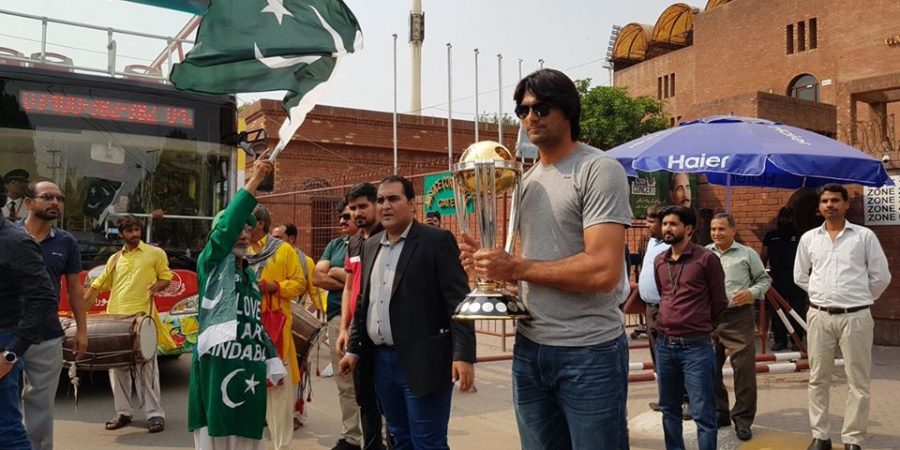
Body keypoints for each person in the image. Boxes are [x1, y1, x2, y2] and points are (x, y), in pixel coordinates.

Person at [462, 68, 633, 449]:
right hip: (530, 347)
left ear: (568, 109)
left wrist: (516, 266)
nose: (530, 117)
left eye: (541, 107)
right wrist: (492, 269)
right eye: (522, 110)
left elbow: (604, 271)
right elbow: (536, 271)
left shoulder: (597, 169)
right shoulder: (525, 181)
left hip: (588, 352)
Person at [338, 175, 475, 449]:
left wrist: (463, 355)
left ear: (411, 203)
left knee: (427, 442)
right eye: (380, 200)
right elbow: (364, 302)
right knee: (399, 438)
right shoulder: (370, 245)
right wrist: (353, 349)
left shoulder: (436, 242)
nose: (385, 206)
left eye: (393, 199)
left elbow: (458, 302)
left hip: (423, 362)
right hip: (382, 363)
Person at [188, 154, 288, 450]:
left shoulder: (251, 278)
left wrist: (271, 360)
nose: (243, 235)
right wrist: (254, 181)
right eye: (236, 229)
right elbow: (224, 233)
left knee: (248, 438)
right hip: (215, 370)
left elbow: (254, 325)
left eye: (248, 229)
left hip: (248, 373)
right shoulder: (212, 264)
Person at [795, 184, 890, 450]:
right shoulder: (809, 239)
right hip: (819, 316)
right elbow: (800, 276)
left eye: (835, 200)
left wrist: (858, 297)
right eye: (824, 201)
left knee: (857, 380)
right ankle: (820, 436)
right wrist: (821, 294)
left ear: (846, 204)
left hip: (856, 317)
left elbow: (881, 276)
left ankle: (853, 439)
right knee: (817, 378)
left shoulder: (864, 236)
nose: (829, 205)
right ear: (819, 206)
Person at [85, 214, 173, 433]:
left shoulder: (155, 253)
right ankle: (123, 413)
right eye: (129, 231)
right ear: (121, 234)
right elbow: (98, 285)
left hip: (143, 320)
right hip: (115, 321)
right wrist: (82, 306)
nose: (134, 234)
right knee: (118, 369)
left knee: (148, 369)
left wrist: (158, 286)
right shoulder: (115, 259)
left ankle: (155, 415)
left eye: (136, 230)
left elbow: (167, 277)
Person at [18, 179, 88, 450]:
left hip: (47, 336)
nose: (55, 203)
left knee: (41, 405)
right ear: (29, 202)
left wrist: (82, 331)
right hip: (8, 332)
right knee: (6, 402)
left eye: (59, 198)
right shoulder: (9, 236)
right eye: (47, 197)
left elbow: (74, 289)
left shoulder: (66, 242)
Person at [653, 206, 728, 450]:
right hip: (665, 346)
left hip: (696, 348)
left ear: (688, 229)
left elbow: (719, 301)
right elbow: (662, 294)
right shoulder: (659, 261)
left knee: (703, 412)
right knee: (669, 409)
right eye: (665, 224)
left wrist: (705, 327)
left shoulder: (706, 259)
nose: (667, 228)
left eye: (673, 224)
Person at [0, 189, 60, 449]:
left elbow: (43, 298)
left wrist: (10, 354)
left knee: (7, 432)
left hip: (3, 342)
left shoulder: (13, 241)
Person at [245, 206, 305, 450]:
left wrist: (274, 287)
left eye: (249, 224)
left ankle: (282, 446)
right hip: (247, 327)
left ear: (261, 224)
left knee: (278, 391)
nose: (245, 229)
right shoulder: (242, 249)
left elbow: (299, 283)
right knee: (248, 386)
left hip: (276, 328)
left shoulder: (283, 250)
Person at [707, 213, 770, 441]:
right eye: (713, 229)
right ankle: (719, 413)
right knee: (709, 369)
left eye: (721, 229)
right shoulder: (704, 254)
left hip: (738, 317)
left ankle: (743, 420)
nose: (716, 233)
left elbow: (764, 280)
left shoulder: (747, 254)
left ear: (733, 230)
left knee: (743, 371)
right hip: (709, 319)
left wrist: (751, 293)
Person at [335, 182, 387, 450]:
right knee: (364, 399)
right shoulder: (354, 243)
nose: (357, 213)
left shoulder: (389, 238)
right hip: (358, 333)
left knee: (388, 400)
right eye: (353, 208)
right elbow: (348, 288)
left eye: (363, 206)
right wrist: (344, 328)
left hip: (385, 332)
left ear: (377, 205)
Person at [313, 202, 364, 450]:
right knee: (345, 382)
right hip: (337, 320)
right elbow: (315, 276)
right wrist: (347, 281)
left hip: (365, 320)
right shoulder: (335, 245)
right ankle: (352, 436)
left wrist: (339, 274)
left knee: (373, 381)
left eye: (347, 216)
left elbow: (363, 281)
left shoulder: (369, 242)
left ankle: (384, 435)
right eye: (341, 216)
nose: (342, 221)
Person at [638, 203, 670, 412]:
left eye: (651, 222)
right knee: (657, 355)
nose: (647, 225)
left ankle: (683, 399)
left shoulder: (672, 245)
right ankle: (666, 398)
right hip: (650, 308)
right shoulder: (651, 243)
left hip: (666, 308)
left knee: (670, 355)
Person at [761, 206, 806, 351]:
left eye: (789, 216)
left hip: (796, 276)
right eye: (783, 216)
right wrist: (761, 273)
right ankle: (780, 340)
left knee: (797, 309)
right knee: (776, 309)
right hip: (776, 276)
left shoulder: (800, 235)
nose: (786, 219)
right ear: (779, 218)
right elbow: (764, 255)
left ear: (794, 219)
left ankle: (796, 340)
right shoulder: (771, 235)